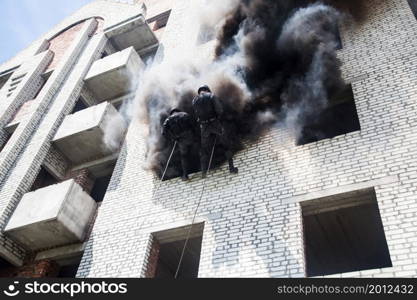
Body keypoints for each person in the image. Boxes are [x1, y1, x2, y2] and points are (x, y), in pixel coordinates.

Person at [192, 85, 238, 178]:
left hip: (204, 127)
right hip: (215, 123)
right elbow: (219, 110)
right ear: (207, 90)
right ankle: (231, 168)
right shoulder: (211, 96)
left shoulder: (194, 100)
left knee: (204, 150)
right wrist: (217, 119)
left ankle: (203, 173)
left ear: (200, 91)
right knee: (226, 145)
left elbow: (196, 114)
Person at [162, 109, 196, 181]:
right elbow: (193, 124)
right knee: (197, 149)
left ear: (171, 113)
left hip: (180, 140)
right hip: (190, 137)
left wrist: (173, 138)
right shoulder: (184, 114)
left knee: (184, 156)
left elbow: (164, 133)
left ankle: (185, 175)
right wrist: (194, 134)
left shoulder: (168, 119)